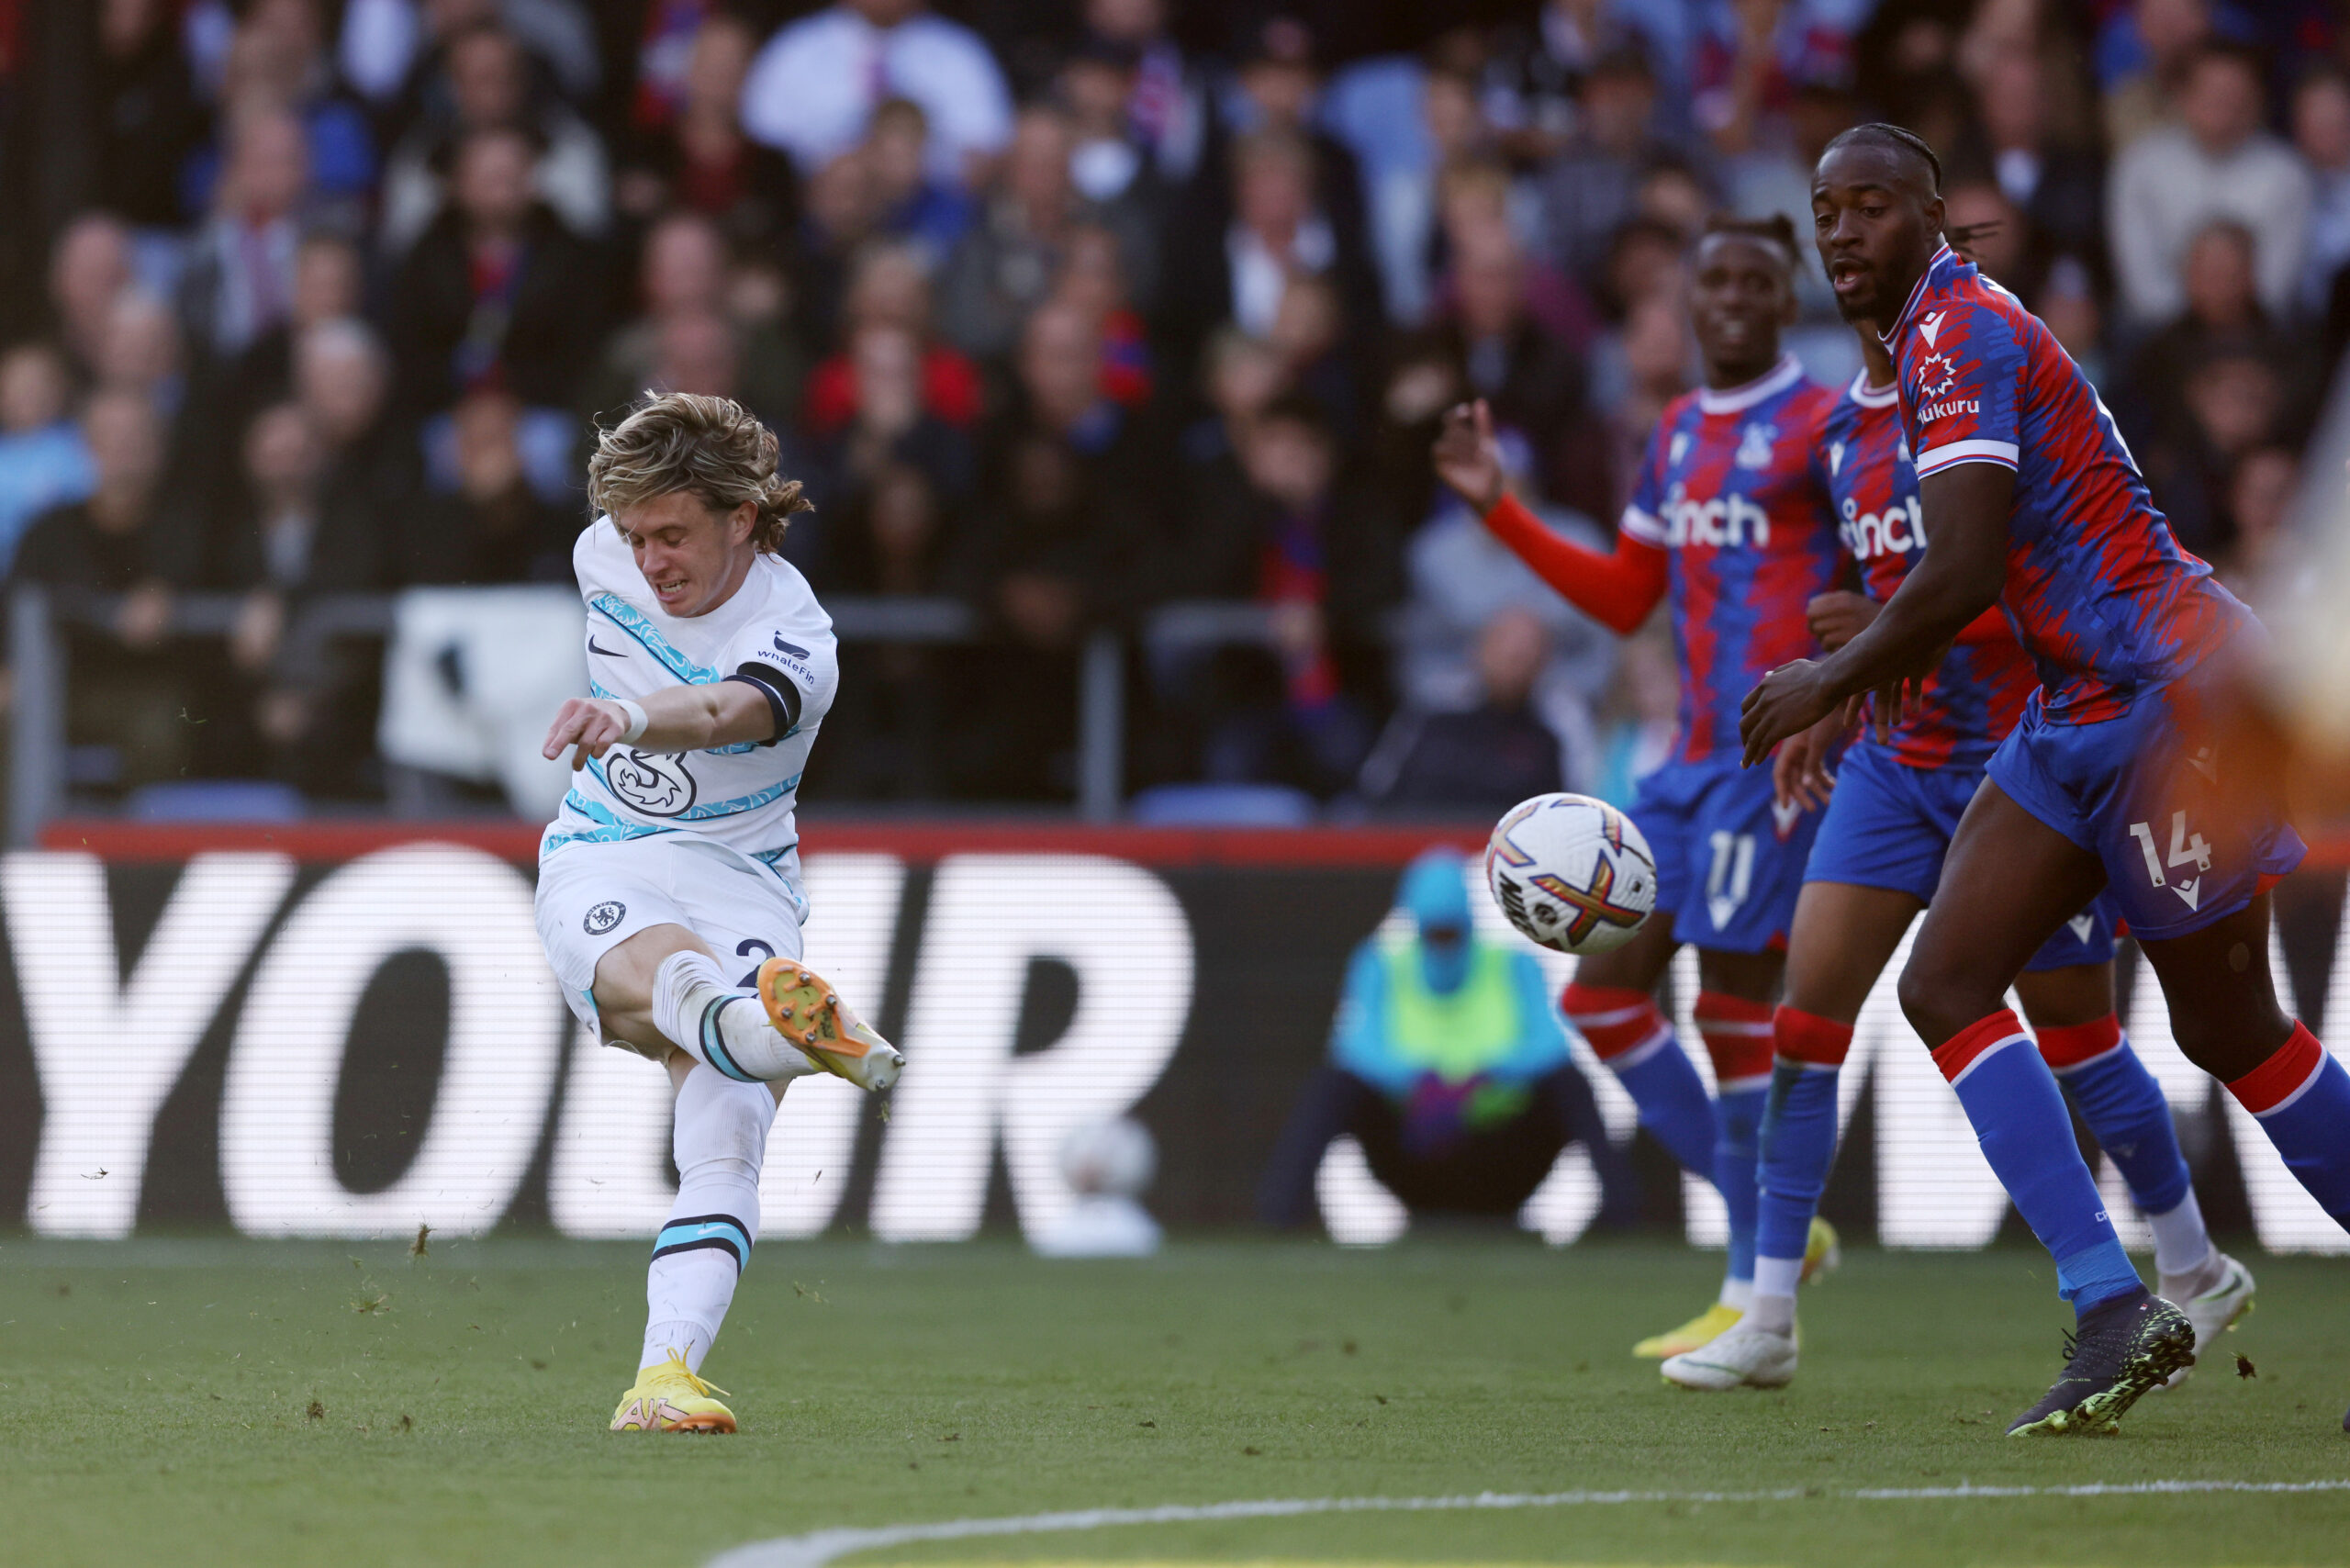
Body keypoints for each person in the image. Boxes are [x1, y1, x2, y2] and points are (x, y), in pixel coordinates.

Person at [1741, 124, 2348, 1436]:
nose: (1841, 231)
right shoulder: (1921, 355)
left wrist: (1826, 683)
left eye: (1869, 207)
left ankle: (2159, 1279)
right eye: (1822, 210)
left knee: (2233, 1032)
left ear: (1933, 216)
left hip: (2172, 692)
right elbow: (1973, 576)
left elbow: (1961, 569)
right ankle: (2113, 1306)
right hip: (2076, 705)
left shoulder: (1959, 335)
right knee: (1948, 980)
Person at [1660, 314, 2253, 1394]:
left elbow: (1999, 587)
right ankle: (1768, 1310)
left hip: (2018, 763)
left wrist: (1873, 625)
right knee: (1806, 1015)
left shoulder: (1981, 398)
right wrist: (1827, 707)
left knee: (2077, 1033)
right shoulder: (1841, 432)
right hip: (1894, 765)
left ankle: (2190, 1261)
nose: (1861, 287)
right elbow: (1874, 623)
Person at [1430, 215, 1843, 1360]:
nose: (1728, 299)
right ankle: (1777, 1230)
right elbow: (1624, 599)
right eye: (1709, 279)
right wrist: (1497, 506)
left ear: (1783, 299)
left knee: (1729, 1012)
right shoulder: (1671, 434)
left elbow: (1876, 581)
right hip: (1682, 763)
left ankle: (1752, 1297)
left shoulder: (1824, 425)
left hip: (1777, 759)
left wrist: (1839, 699)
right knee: (1599, 997)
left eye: (1755, 281)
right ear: (1680, 299)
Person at [534, 391, 903, 1435]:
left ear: (740, 518)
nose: (648, 560)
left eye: (673, 533)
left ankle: (663, 1378)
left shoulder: (797, 634)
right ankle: (776, 1030)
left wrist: (625, 715)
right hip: (607, 852)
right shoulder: (597, 554)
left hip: (742, 876)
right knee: (679, 978)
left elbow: (718, 710)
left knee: (726, 1133)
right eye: (634, 535)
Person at [1259, 849, 1638, 1233]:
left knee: (1570, 1082)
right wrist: (1421, 1083)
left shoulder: (1513, 963)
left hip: (1503, 1155)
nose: (1443, 944)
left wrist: (1487, 1075)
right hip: (1414, 1147)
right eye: (1434, 933)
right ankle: (1280, 1218)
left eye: (1451, 932)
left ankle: (1621, 1216)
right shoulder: (1379, 963)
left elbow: (1553, 1045)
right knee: (1333, 1085)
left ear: (1470, 923)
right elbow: (1353, 1047)